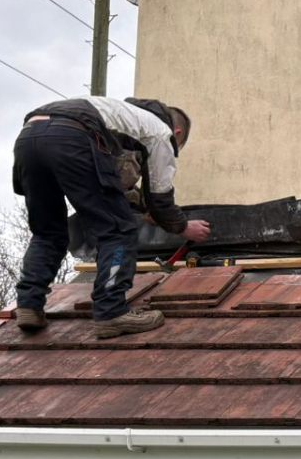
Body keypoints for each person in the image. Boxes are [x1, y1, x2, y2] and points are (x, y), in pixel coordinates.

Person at [11, 97, 211, 338]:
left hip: (29, 137)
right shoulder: (160, 133)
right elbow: (160, 196)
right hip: (72, 138)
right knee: (118, 230)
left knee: (47, 232)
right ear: (176, 132)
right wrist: (182, 226)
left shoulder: (119, 118)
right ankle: (111, 312)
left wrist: (145, 209)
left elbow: (113, 186)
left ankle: (29, 306)